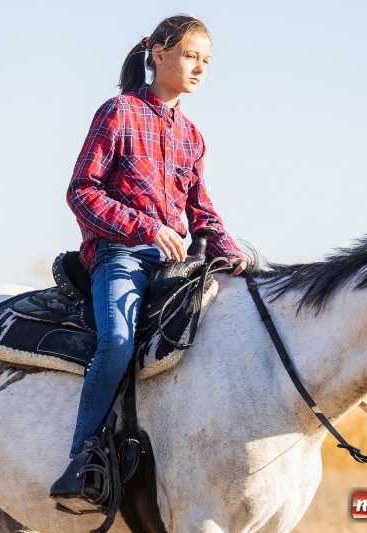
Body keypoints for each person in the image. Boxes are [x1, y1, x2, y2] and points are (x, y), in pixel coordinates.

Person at [50, 14, 248, 513]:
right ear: (158, 53)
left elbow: (200, 211)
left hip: (174, 262)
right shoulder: (118, 112)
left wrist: (230, 249)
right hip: (119, 255)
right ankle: (83, 458)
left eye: (206, 60)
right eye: (190, 55)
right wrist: (146, 228)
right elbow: (81, 192)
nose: (200, 68)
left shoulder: (193, 136)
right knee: (117, 340)